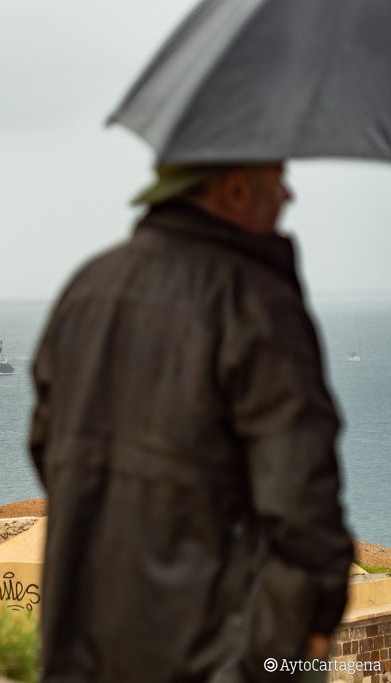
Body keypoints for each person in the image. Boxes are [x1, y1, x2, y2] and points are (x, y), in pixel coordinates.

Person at [29, 163, 353, 682]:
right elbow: (302, 502)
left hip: (82, 645)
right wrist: (301, 642)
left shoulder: (87, 289)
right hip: (224, 657)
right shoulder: (257, 302)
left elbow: (48, 449)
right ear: (236, 188)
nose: (289, 194)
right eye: (277, 177)